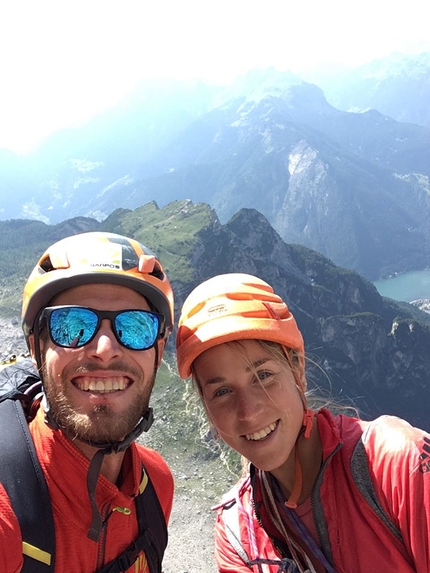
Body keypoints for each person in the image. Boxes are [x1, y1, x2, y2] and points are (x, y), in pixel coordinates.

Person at [176, 272, 430, 573]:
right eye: (221, 392)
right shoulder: (236, 534)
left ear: (297, 368)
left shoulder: (397, 463)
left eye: (263, 376)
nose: (248, 412)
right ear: (206, 407)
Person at [0, 231, 175, 573]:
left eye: (136, 327)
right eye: (72, 324)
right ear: (37, 347)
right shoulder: (7, 512)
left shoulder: (156, 484)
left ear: (159, 350)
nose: (106, 349)